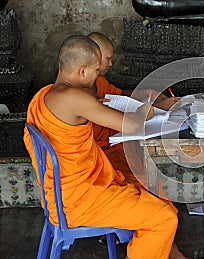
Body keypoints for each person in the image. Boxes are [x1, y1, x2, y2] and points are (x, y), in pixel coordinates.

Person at [23, 35, 180, 259]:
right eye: (97, 70)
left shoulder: (42, 95)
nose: (98, 76)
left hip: (62, 196)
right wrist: (146, 110)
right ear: (83, 71)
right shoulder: (74, 97)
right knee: (164, 218)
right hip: (82, 199)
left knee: (149, 192)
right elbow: (133, 125)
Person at [87, 32, 186, 258]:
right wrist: (144, 111)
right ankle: (166, 245)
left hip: (112, 155)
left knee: (154, 186)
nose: (111, 64)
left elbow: (120, 95)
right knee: (154, 197)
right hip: (100, 165)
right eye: (108, 59)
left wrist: (156, 101)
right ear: (93, 57)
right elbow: (130, 123)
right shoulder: (81, 96)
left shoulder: (98, 83)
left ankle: (168, 247)